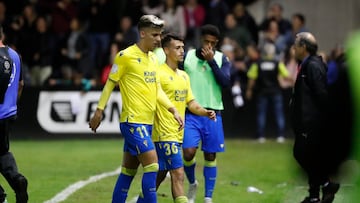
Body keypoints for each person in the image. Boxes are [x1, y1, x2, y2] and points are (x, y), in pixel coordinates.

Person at [89, 15, 184, 203]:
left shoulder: (153, 60)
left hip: (147, 124)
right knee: (152, 166)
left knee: (128, 172)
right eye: (155, 35)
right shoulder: (126, 56)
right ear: (142, 34)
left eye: (160, 34)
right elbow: (110, 83)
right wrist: (99, 111)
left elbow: (157, 90)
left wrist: (172, 109)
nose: (159, 39)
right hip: (132, 121)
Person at [139, 33, 216, 203]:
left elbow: (191, 102)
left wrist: (205, 112)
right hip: (164, 133)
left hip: (176, 133)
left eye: (183, 47)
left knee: (159, 176)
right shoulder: (158, 73)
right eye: (177, 48)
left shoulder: (183, 76)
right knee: (178, 174)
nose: (182, 51)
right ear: (166, 50)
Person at [182, 24, 231, 203]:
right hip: (191, 113)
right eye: (206, 42)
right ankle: (192, 183)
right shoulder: (187, 57)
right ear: (200, 40)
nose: (209, 46)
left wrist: (211, 62)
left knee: (210, 155)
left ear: (217, 43)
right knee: (188, 152)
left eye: (213, 43)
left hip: (213, 113)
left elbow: (225, 82)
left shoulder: (221, 58)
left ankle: (208, 198)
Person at [290, 32, 339, 203]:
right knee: (312, 157)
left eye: (296, 44)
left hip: (312, 123)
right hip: (306, 122)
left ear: (304, 47)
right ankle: (313, 197)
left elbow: (322, 95)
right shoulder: (307, 64)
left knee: (302, 154)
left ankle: (327, 184)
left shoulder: (312, 66)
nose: (293, 48)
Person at [0, 25, 28, 203]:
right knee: (2, 152)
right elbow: (21, 84)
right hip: (7, 115)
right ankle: (16, 179)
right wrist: (12, 105)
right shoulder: (15, 55)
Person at [245, 41, 292, 143]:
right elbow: (286, 75)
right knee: (279, 114)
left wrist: (249, 90)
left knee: (261, 114)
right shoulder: (277, 63)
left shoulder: (257, 64)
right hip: (275, 91)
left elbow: (251, 78)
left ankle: (261, 136)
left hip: (262, 92)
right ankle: (280, 136)